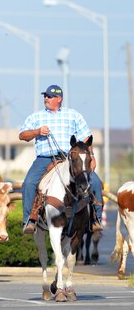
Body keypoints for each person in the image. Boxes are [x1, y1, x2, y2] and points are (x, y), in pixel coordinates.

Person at [19, 84, 103, 234]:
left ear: (59, 98)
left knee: (95, 181)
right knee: (29, 183)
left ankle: (95, 219)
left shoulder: (73, 115)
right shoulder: (36, 116)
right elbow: (22, 135)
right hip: (44, 159)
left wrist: (93, 156)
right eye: (45, 96)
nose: (46, 98)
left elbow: (86, 137)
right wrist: (37, 131)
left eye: (49, 96)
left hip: (71, 159)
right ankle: (29, 220)